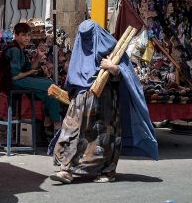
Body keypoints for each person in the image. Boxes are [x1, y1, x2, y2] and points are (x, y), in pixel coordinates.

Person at [49, 20, 158, 184]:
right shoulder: (80, 48)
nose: (87, 41)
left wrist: (113, 68)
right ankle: (66, 169)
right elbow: (73, 75)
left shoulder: (112, 47)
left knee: (102, 138)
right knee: (71, 132)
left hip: (104, 102)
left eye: (89, 37)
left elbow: (127, 74)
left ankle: (107, 171)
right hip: (80, 101)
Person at [0, 22, 61, 137]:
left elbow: (31, 68)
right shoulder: (14, 50)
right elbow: (15, 76)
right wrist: (29, 72)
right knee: (50, 86)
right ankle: (56, 123)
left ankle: (49, 120)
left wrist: (38, 56)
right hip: (11, 83)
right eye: (24, 35)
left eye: (29, 35)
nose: (27, 38)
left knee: (50, 87)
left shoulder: (21, 50)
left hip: (18, 80)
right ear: (16, 35)